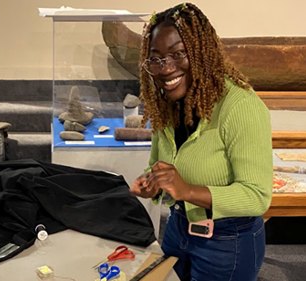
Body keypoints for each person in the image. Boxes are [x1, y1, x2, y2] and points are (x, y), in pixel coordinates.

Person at [130, 3, 272, 281]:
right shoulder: (168, 103)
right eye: (156, 59)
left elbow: (257, 197)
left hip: (227, 242)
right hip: (177, 229)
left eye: (178, 54)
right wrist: (153, 185)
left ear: (201, 53)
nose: (165, 69)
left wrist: (187, 190)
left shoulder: (241, 106)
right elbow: (160, 167)